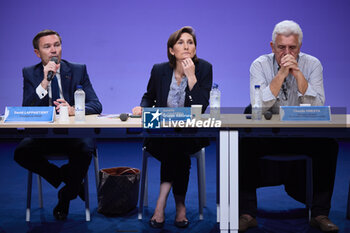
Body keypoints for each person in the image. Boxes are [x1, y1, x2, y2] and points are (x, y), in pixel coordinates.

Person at [239, 20, 339, 232]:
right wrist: (281, 74)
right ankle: (247, 214)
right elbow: (258, 105)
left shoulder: (313, 64)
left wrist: (298, 74)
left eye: (292, 48)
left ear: (299, 47)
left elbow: (318, 105)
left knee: (329, 145)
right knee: (241, 145)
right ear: (272, 46)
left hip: (303, 136)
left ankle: (320, 214)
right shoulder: (259, 64)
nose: (287, 52)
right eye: (281, 47)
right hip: (269, 135)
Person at [14, 29, 102, 220]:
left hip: (73, 134)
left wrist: (73, 109)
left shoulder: (78, 70)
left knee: (86, 150)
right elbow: (27, 109)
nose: (54, 50)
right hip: (43, 135)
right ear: (38, 53)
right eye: (47, 47)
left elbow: (96, 105)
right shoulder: (30, 73)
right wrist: (45, 82)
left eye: (57, 45)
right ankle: (69, 180)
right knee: (21, 153)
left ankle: (65, 196)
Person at [132, 26, 212, 228]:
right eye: (180, 42)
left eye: (190, 42)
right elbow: (148, 96)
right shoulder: (159, 70)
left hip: (189, 134)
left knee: (177, 148)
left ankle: (161, 205)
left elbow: (201, 106)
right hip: (160, 134)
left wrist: (191, 76)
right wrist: (142, 108)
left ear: (195, 48)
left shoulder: (204, 68)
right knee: (175, 150)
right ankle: (180, 208)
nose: (186, 46)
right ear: (171, 50)